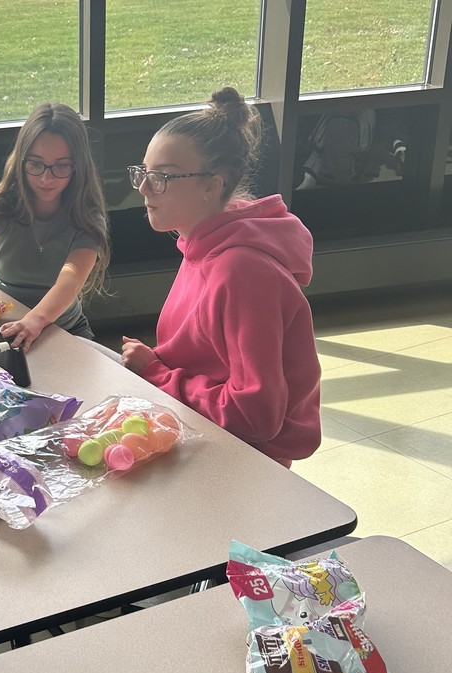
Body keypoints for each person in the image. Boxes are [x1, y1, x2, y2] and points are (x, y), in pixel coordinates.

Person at [121, 87, 321, 467]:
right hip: (203, 432)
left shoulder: (241, 271)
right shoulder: (201, 244)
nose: (145, 189)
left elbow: (257, 415)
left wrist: (158, 373)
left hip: (243, 462)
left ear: (212, 186)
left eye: (162, 177)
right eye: (144, 173)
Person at [0, 102, 110, 351]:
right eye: (35, 164)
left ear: (78, 167)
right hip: (1, 324)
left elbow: (70, 280)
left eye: (61, 166)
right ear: (21, 161)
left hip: (65, 330)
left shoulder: (88, 217)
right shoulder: (0, 203)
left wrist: (35, 321)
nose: (46, 178)